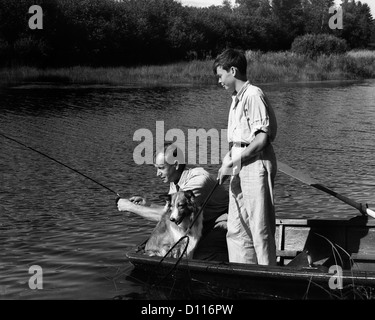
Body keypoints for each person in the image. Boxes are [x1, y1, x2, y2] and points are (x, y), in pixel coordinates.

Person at [213, 48, 278, 266]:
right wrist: (227, 160)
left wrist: (234, 162)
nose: (219, 81)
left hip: (255, 165)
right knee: (237, 227)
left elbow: (261, 140)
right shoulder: (235, 100)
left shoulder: (253, 95)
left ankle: (267, 275)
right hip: (239, 165)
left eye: (221, 75)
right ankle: (242, 273)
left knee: (259, 226)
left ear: (233, 70)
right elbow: (238, 140)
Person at [117, 142, 229, 262]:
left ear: (175, 165)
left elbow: (171, 218)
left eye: (161, 168)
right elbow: (171, 211)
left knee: (199, 257)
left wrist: (130, 207)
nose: (157, 173)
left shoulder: (196, 182)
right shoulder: (175, 181)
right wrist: (148, 204)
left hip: (221, 223)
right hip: (203, 224)